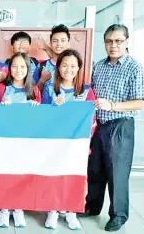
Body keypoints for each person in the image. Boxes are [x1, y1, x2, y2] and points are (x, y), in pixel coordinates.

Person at [82, 24, 144, 232]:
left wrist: (113, 106)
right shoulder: (99, 66)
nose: (113, 45)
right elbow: (90, 94)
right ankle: (92, 206)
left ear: (127, 42)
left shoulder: (133, 67)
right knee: (95, 168)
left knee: (117, 173)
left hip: (121, 126)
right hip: (99, 126)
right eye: (109, 41)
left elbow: (140, 102)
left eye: (118, 41)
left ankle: (118, 215)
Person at [42, 49, 96, 230]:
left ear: (79, 68)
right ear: (58, 67)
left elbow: (92, 119)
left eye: (73, 66)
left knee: (74, 178)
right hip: (55, 145)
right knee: (55, 176)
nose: (68, 69)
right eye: (65, 65)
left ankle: (71, 211)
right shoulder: (50, 89)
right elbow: (42, 117)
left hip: (77, 146)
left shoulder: (86, 91)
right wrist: (53, 108)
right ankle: (53, 210)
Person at [0, 52, 40, 228]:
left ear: (28, 69)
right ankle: (4, 208)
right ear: (9, 68)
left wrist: (36, 107)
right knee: (5, 173)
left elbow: (40, 118)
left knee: (20, 173)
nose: (18, 70)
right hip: (4, 140)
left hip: (25, 141)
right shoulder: (1, 88)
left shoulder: (33, 89)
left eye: (22, 66)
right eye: (14, 66)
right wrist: (0, 107)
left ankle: (18, 207)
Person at [33, 24, 71, 94]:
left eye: (62, 40)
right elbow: (33, 94)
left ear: (68, 43)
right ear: (50, 43)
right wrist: (42, 81)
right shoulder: (41, 66)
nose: (59, 44)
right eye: (55, 41)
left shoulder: (73, 67)